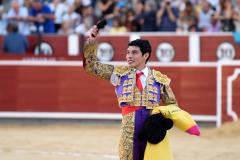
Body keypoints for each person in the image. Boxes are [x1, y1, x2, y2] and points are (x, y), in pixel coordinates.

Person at [83, 24, 200, 160]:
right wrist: (91, 42)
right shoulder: (118, 74)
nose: (129, 56)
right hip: (128, 134)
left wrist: (163, 122)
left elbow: (172, 105)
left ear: (145, 55)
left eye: (134, 52)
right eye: (127, 52)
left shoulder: (159, 78)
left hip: (152, 131)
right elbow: (91, 67)